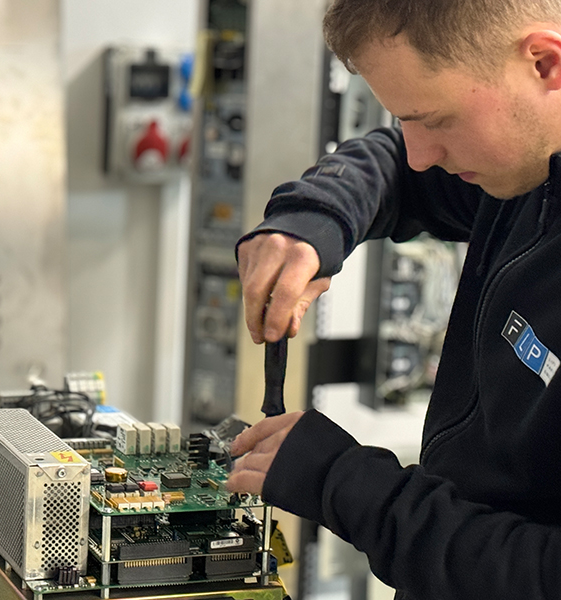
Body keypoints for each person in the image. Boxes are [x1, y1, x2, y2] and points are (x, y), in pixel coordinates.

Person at [225, 1, 561, 598]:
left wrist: (346, 483)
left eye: (435, 119)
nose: (419, 152)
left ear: (544, 63)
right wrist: (312, 221)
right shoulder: (531, 166)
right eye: (405, 119)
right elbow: (397, 172)